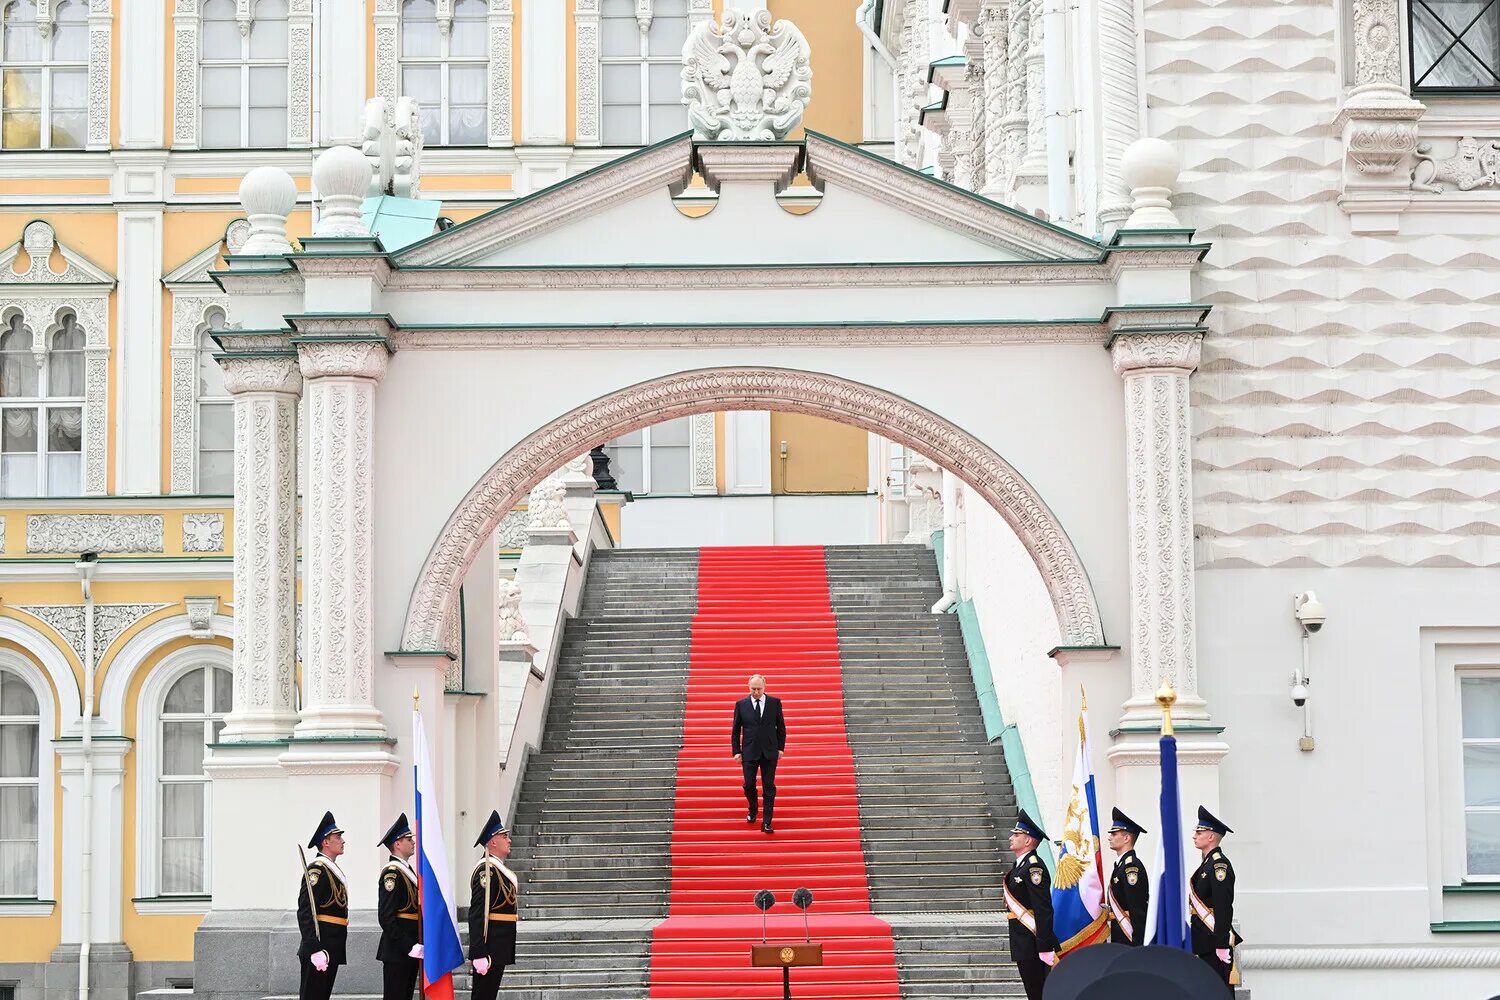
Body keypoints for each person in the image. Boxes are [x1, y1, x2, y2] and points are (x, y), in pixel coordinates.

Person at [1004, 809, 1057, 1000]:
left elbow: (1043, 908)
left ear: (1028, 841)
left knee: (1038, 993)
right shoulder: (1021, 865)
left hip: (1032, 942)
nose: (1011, 837)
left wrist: (1044, 946)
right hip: (1023, 942)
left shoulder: (1034, 867)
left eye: (1016, 834)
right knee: (1033, 991)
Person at [296, 811, 349, 1000]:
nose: (342, 841)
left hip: (331, 944)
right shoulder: (317, 870)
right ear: (326, 842)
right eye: (338, 837)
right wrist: (314, 948)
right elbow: (305, 912)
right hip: (320, 945)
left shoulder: (331, 870)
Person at [468, 810, 518, 1000]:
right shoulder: (486, 871)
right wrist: (478, 951)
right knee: (483, 995)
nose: (509, 840)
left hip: (499, 944)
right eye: (504, 836)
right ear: (492, 842)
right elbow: (477, 913)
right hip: (490, 946)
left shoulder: (497, 869)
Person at [1190, 806, 1240, 991]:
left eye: (1199, 831)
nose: (1195, 835)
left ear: (1211, 836)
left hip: (1213, 943)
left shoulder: (1219, 865)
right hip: (1205, 942)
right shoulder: (1207, 864)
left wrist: (1221, 944)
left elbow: (1223, 906)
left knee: (1219, 992)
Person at [731, 673, 786, 834]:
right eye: (753, 689)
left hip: (769, 752)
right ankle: (753, 809)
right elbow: (735, 731)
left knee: (769, 787)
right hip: (749, 751)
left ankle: (767, 822)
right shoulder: (741, 704)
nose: (756, 692)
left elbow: (781, 727)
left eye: (759, 689)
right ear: (748, 687)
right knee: (749, 785)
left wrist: (780, 748)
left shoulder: (774, 703)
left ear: (765, 687)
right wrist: (736, 751)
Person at [376, 813, 422, 1000]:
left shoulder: (407, 872)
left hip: (411, 947)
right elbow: (386, 918)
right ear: (397, 844)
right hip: (398, 950)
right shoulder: (393, 874)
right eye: (408, 839)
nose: (412, 842)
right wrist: (408, 945)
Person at [1106, 807, 1149, 946]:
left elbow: (1137, 909)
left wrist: (1138, 944)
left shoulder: (1131, 867)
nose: (1109, 837)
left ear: (1126, 838)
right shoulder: (1121, 865)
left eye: (1114, 833)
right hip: (1120, 936)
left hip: (1129, 937)